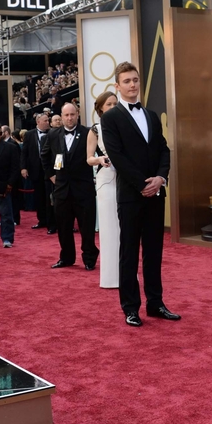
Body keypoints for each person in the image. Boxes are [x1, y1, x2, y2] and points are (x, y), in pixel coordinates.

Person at [101, 62, 179, 328]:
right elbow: (116, 156)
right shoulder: (110, 118)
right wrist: (142, 184)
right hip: (132, 195)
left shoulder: (152, 115)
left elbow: (164, 151)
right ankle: (130, 308)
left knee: (154, 251)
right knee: (129, 252)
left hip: (156, 193)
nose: (132, 85)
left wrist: (160, 178)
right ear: (117, 86)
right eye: (127, 81)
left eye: (135, 80)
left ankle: (155, 304)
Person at [42, 103, 99, 271]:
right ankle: (66, 257)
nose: (69, 118)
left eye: (72, 114)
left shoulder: (88, 132)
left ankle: (89, 258)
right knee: (63, 227)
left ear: (77, 114)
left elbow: (98, 154)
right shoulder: (53, 134)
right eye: (66, 115)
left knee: (86, 227)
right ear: (61, 115)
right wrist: (51, 175)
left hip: (84, 189)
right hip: (61, 190)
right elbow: (44, 155)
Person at [87, 91, 120, 289]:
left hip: (126, 180)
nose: (113, 107)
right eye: (109, 104)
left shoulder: (126, 125)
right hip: (106, 180)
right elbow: (88, 158)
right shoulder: (96, 130)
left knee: (126, 229)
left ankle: (126, 273)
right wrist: (99, 159)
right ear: (100, 108)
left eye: (115, 103)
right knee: (108, 229)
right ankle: (110, 278)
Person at [22, 113, 54, 232]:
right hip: (35, 169)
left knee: (49, 196)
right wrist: (23, 168)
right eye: (45, 120)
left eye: (48, 120)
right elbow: (24, 152)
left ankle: (51, 222)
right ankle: (42, 220)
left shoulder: (52, 132)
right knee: (39, 196)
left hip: (49, 169)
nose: (47, 122)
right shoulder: (29, 134)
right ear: (38, 122)